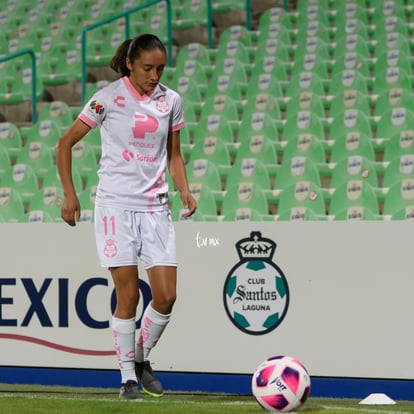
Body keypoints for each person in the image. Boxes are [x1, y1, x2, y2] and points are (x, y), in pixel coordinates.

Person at [56, 33, 197, 400]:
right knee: (129, 296)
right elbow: (65, 143)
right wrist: (70, 194)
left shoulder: (171, 101)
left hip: (156, 208)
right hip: (115, 208)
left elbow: (174, 155)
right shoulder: (106, 99)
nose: (154, 75)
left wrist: (184, 188)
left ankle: (139, 358)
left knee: (166, 296)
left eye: (161, 69)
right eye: (148, 68)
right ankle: (127, 380)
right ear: (131, 64)